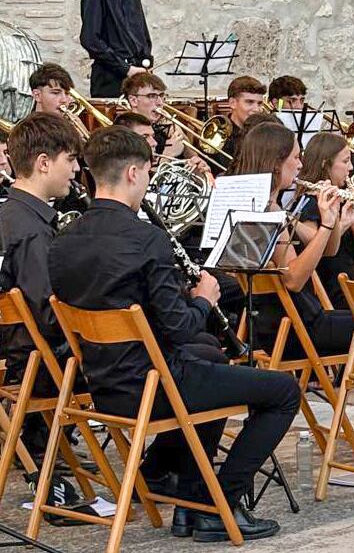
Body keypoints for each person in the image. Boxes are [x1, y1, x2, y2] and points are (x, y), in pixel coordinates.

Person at [49, 126, 299, 542]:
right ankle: (221, 503)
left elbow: (117, 301)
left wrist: (175, 296)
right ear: (133, 173)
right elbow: (181, 329)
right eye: (148, 172)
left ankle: (191, 507)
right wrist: (203, 297)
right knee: (283, 391)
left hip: (105, 384)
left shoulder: (64, 238)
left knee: (214, 360)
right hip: (156, 384)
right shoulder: (147, 239)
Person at [225, 123, 354, 359]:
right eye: (296, 157)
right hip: (296, 327)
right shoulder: (268, 212)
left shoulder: (252, 203)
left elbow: (329, 251)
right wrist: (326, 224)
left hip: (269, 324)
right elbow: (294, 280)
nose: (300, 165)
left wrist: (333, 219)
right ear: (276, 163)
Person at [0, 114, 83, 456]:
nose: (76, 170)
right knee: (148, 362)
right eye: (71, 160)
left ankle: (41, 443)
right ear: (44, 163)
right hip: (35, 363)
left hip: (17, 353)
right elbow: (48, 317)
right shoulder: (32, 230)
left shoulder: (7, 213)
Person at [297, 133, 354, 310]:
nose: (351, 167)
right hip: (332, 290)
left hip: (350, 281)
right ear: (325, 164)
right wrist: (342, 223)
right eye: (345, 161)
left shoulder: (340, 196)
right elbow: (320, 249)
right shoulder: (311, 203)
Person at [121, 72, 187, 159]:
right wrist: (168, 155)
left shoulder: (165, 128)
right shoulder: (125, 133)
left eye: (161, 95)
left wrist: (183, 138)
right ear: (133, 100)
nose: (160, 102)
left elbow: (197, 167)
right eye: (152, 96)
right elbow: (137, 171)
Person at [221, 76, 268, 160]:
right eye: (250, 102)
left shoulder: (264, 132)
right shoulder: (220, 137)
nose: (257, 109)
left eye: (259, 103)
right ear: (232, 103)